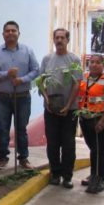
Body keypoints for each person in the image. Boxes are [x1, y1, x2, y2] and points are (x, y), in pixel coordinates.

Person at [0, 21, 40, 170]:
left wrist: (22, 79)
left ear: (18, 33)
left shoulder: (28, 51)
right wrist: (6, 74)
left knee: (21, 129)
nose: (10, 33)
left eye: (13, 31)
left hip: (22, 96)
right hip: (2, 97)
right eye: (7, 31)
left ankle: (23, 158)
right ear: (3, 34)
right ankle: (3, 157)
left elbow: (36, 70)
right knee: (3, 128)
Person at [39, 28, 82, 188]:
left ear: (67, 40)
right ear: (53, 40)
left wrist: (68, 105)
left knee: (68, 143)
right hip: (51, 109)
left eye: (62, 37)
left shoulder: (74, 60)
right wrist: (47, 100)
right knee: (53, 143)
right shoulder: (47, 59)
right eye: (57, 37)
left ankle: (67, 176)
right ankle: (55, 173)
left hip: (70, 110)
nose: (59, 40)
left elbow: (77, 84)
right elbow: (41, 81)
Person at [78, 54, 104, 194]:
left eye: (97, 62)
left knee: (100, 150)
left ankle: (101, 179)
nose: (94, 65)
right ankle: (94, 175)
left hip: (102, 121)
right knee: (93, 149)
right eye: (91, 62)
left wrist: (103, 121)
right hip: (86, 119)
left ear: (103, 65)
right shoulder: (84, 77)